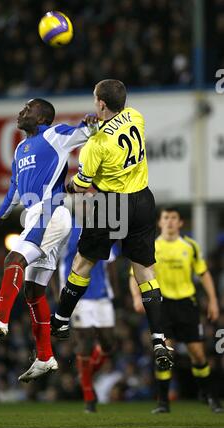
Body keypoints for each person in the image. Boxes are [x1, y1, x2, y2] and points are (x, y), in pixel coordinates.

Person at [0, 98, 97, 381]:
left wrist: (89, 122)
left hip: (49, 211)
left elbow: (84, 131)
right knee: (33, 292)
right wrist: (0, 215)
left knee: (14, 258)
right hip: (41, 215)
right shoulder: (18, 149)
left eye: (28, 109)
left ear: (41, 118)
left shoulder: (54, 134)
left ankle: (0, 318)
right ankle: (45, 357)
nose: (21, 112)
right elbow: (14, 186)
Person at [50, 79, 173, 370]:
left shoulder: (95, 145)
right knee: (145, 271)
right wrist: (98, 126)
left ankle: (62, 321)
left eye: (95, 99)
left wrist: (67, 186)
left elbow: (82, 185)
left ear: (101, 104)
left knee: (83, 262)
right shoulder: (136, 117)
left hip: (111, 203)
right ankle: (159, 339)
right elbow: (115, 126)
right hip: (142, 200)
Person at [129, 206, 223, 413]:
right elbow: (134, 274)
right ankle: (163, 402)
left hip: (186, 305)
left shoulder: (190, 246)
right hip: (161, 306)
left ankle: (209, 396)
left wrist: (213, 301)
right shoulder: (151, 246)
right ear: (160, 223)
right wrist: (137, 297)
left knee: (198, 355)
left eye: (174, 218)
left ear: (180, 223)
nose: (170, 221)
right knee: (164, 353)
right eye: (166, 218)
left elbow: (204, 273)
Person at [57, 217, 120, 412]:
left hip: (101, 293)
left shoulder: (105, 226)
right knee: (84, 341)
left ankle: (84, 375)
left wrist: (116, 290)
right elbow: (54, 262)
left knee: (108, 343)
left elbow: (111, 262)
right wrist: (57, 293)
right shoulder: (67, 229)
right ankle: (88, 395)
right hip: (77, 295)